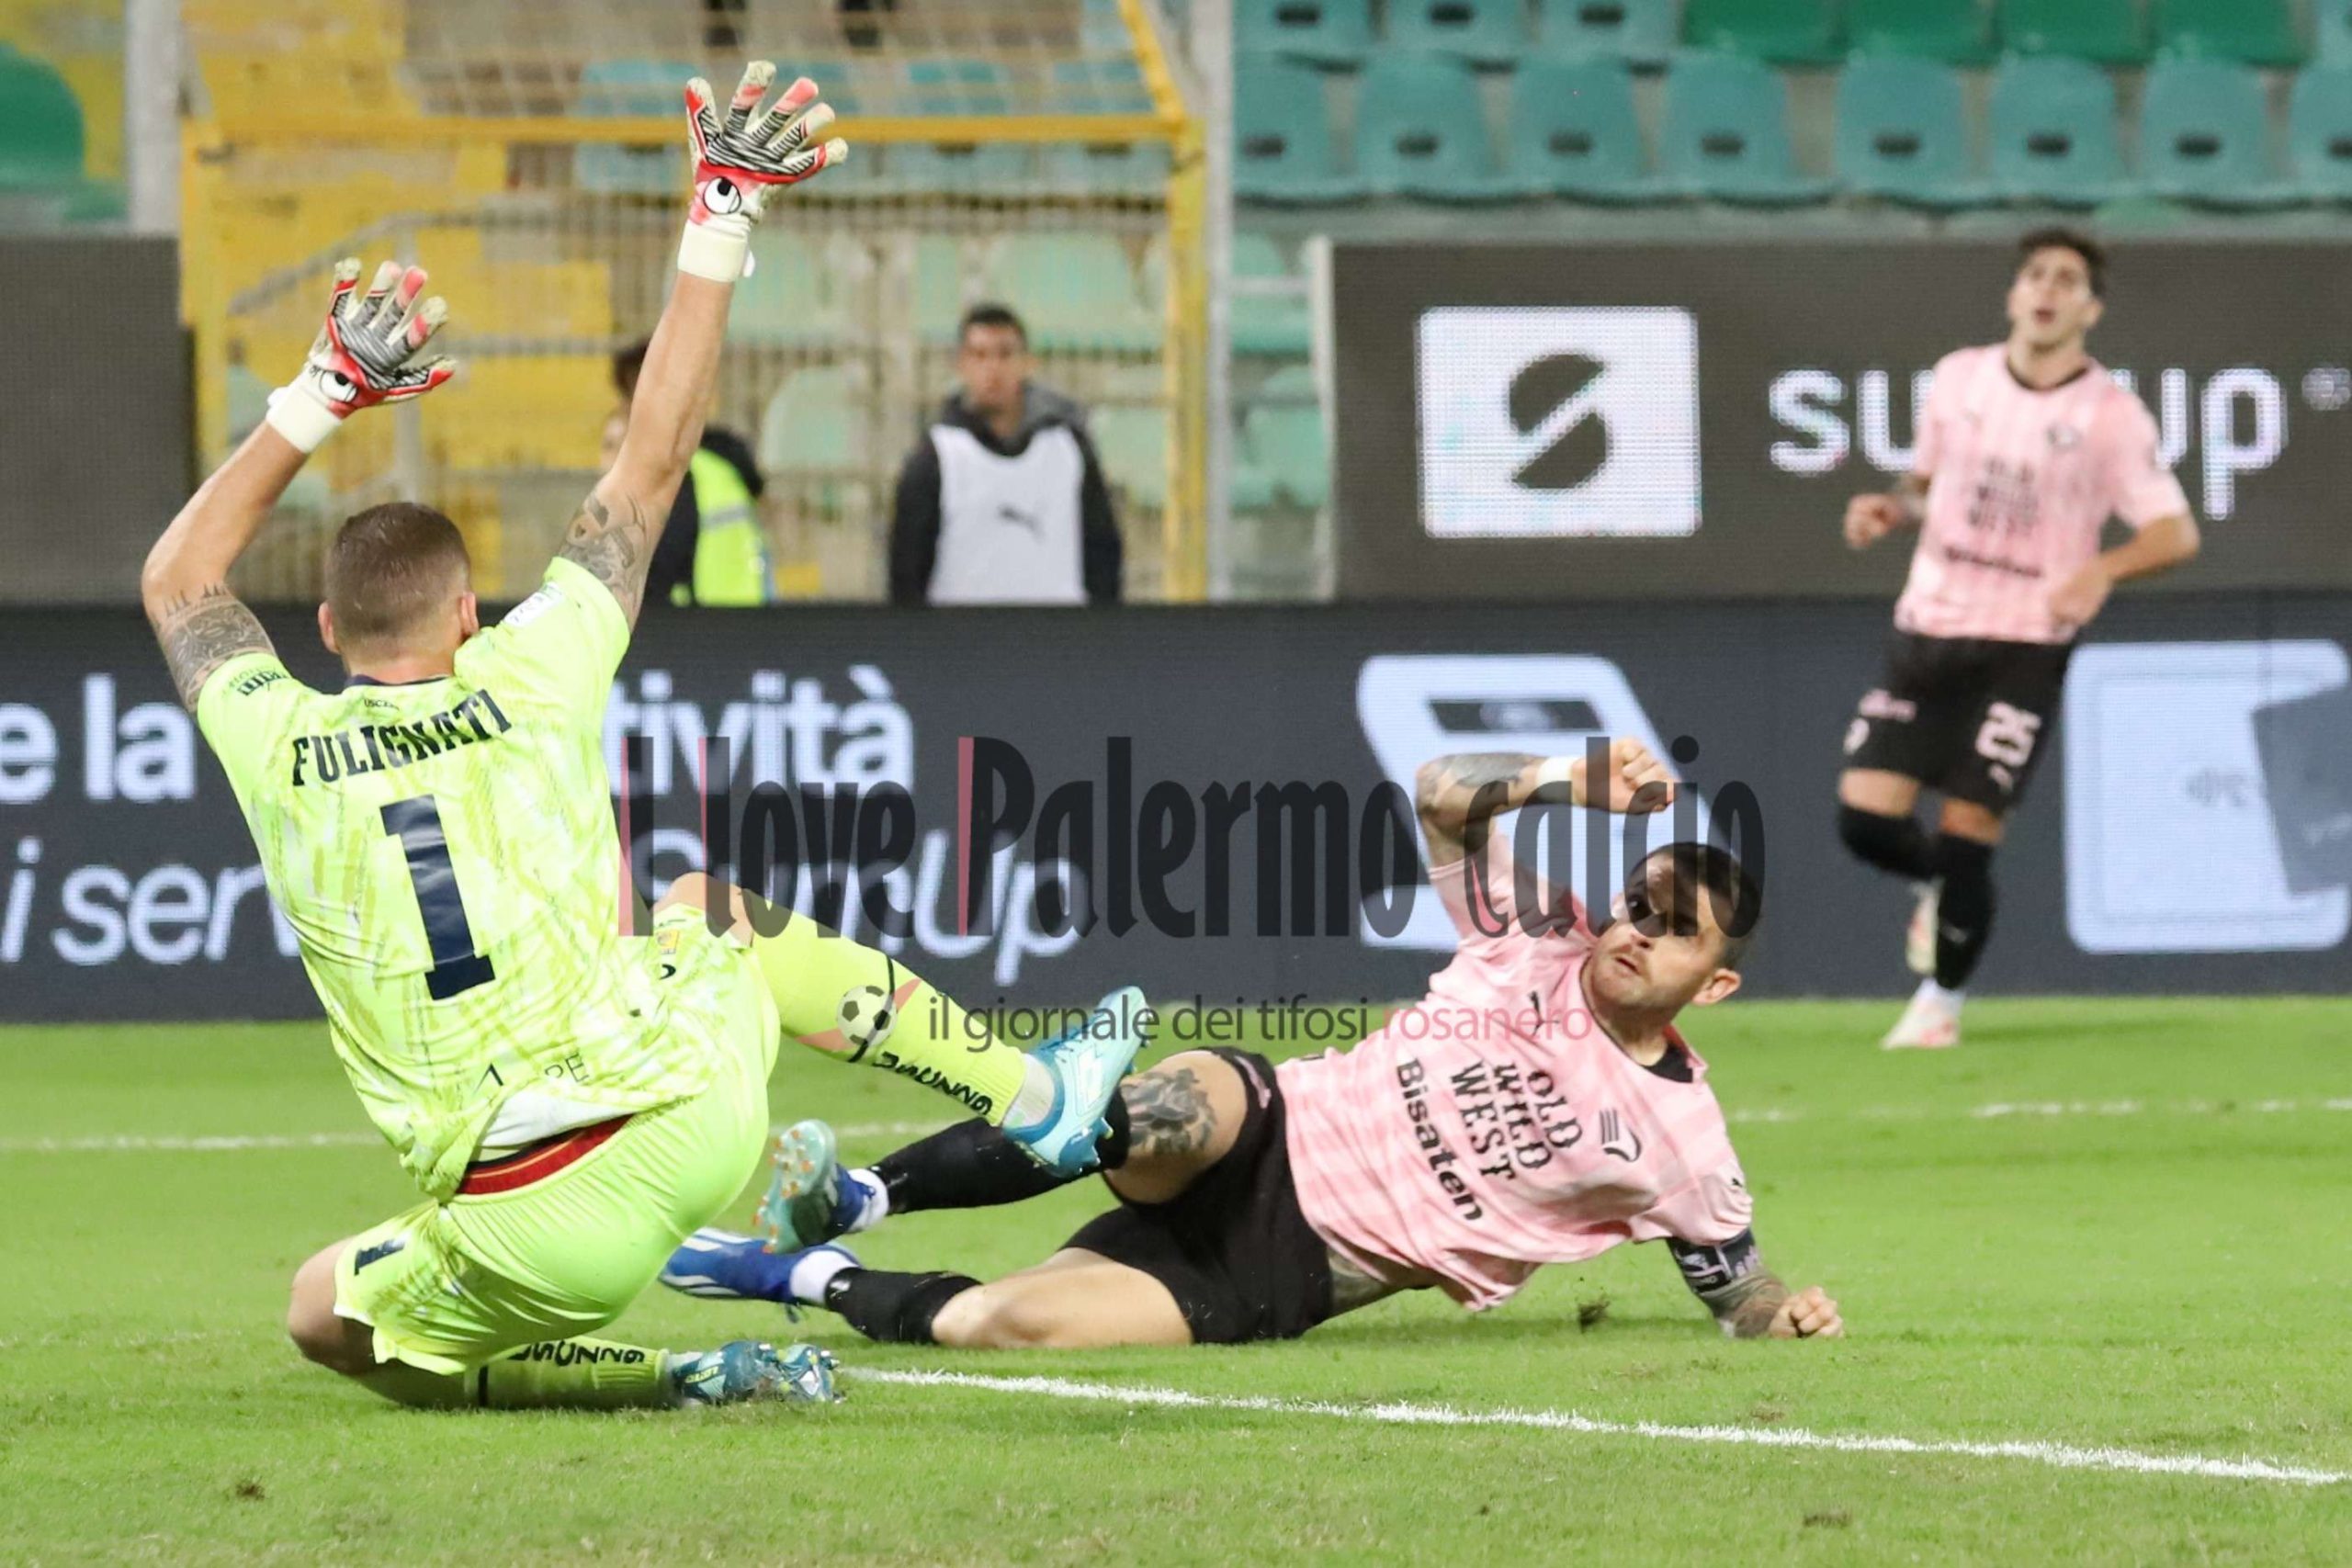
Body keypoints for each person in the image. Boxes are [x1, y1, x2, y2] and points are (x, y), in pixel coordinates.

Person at [138, 62, 1140, 1413]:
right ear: (466, 610)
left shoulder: (273, 738)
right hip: (676, 1119)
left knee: (327, 1309)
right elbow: (652, 462)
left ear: (323, 626)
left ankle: (679, 1370)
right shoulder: (535, 664)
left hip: (515, 1230)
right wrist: (721, 211)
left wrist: (321, 394)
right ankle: (1035, 1098)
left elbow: (180, 583)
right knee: (698, 905)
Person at [663, 742, 1844, 1351]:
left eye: (1674, 929)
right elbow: (1438, 793)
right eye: (1638, 901)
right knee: (1156, 1108)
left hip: (1286, 1269)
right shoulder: (1537, 935)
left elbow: (1733, 1287)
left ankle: (794, 1272)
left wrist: (1779, 1316)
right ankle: (857, 1197)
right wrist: (1555, 783)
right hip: (1273, 1121)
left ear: (1717, 981)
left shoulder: (1682, 1137)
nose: (1637, 931)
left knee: (1002, 1326)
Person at [1838, 229, 2199, 1051]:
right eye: (2035, 275)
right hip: (1930, 624)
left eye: (2067, 280)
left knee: (1970, 825)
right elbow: (1926, 482)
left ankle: (1939, 1007)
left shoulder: (2110, 417)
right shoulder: (1959, 378)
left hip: (2026, 643)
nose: (2047, 290)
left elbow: (2175, 532)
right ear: (2013, 294)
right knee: (1864, 821)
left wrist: (2104, 569)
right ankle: (1944, 889)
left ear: (2090, 308)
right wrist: (1892, 508)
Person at [887, 303, 1124, 606]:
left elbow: (1103, 554)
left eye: (1005, 354)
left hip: (1058, 643)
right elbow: (907, 570)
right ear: (961, 364)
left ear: (1028, 363)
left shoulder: (1067, 449)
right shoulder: (938, 457)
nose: (992, 369)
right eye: (980, 356)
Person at [603, 339, 772, 608]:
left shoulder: (676, 472)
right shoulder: (723, 459)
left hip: (694, 630)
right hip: (743, 619)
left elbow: (662, 568)